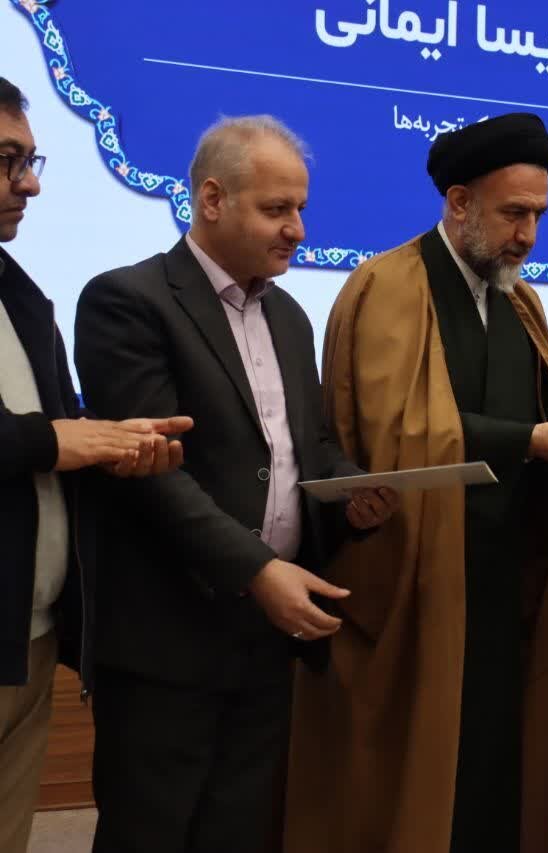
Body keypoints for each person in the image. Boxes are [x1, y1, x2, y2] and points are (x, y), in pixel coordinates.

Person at [73, 116, 397, 853]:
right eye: (277, 209)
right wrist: (257, 570)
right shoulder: (128, 301)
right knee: (151, 834)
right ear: (212, 199)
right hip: (166, 641)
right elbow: (151, 473)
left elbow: (306, 447)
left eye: (301, 208)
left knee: (240, 832)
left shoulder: (289, 315)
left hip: (267, 640)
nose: (298, 231)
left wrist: (353, 493)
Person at [285, 112, 548, 853]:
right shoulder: (388, 285)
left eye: (538, 215)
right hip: (418, 581)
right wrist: (528, 441)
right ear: (460, 202)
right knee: (417, 784)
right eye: (514, 213)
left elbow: (545, 414)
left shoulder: (520, 301)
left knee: (494, 775)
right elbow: (396, 436)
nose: (528, 235)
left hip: (503, 581)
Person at [0, 77, 193, 853]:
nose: (31, 184)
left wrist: (112, 446)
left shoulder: (24, 296)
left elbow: (56, 440)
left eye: (30, 160)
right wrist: (57, 441)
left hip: (29, 640)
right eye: (8, 160)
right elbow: (43, 439)